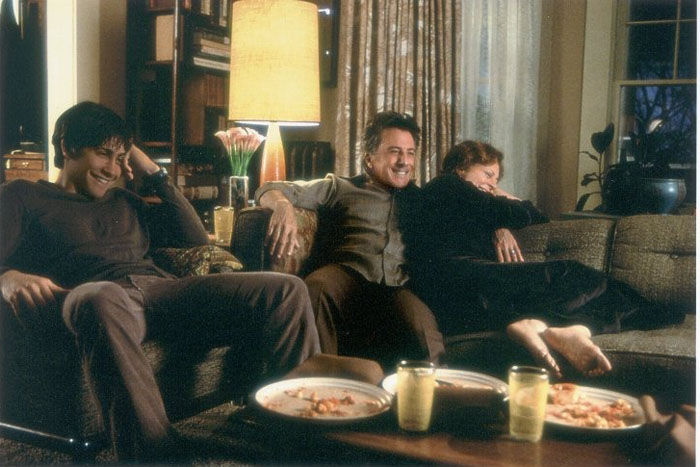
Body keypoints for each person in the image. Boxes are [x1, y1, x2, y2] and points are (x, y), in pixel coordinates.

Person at [0, 101, 321, 461]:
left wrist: (149, 169)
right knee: (99, 296)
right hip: (94, 299)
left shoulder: (124, 200)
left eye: (120, 158)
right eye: (103, 154)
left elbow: (195, 239)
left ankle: (305, 435)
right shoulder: (23, 196)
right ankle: (155, 456)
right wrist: (7, 277)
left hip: (161, 290)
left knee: (286, 289)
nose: (112, 169)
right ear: (68, 146)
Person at [410, 140, 683, 378]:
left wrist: (498, 224)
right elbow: (521, 213)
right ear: (461, 168)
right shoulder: (445, 185)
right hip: (455, 279)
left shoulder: (466, 202)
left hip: (477, 290)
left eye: (497, 180)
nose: (493, 185)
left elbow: (531, 217)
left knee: (618, 301)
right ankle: (544, 323)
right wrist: (504, 208)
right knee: (571, 273)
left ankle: (566, 328)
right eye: (488, 174)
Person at [256, 111, 445, 368]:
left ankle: (434, 389)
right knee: (317, 287)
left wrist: (497, 225)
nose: (404, 162)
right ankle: (319, 381)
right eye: (394, 152)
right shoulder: (340, 187)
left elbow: (469, 201)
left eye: (410, 153)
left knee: (421, 326)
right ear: (369, 159)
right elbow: (270, 188)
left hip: (398, 284)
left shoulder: (424, 199)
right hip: (346, 274)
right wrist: (282, 206)